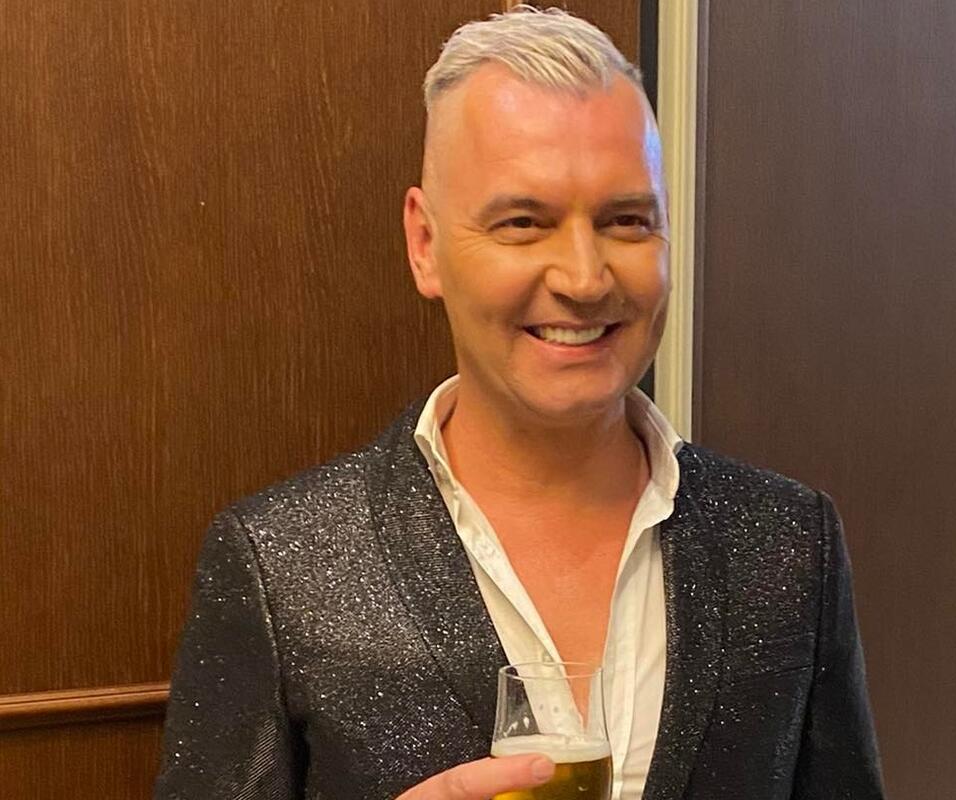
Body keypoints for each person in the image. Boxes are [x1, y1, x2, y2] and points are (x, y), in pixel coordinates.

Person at [153, 8, 883, 800]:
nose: (584, 278)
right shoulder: (281, 562)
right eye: (523, 223)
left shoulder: (789, 543)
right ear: (425, 245)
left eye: (626, 221)